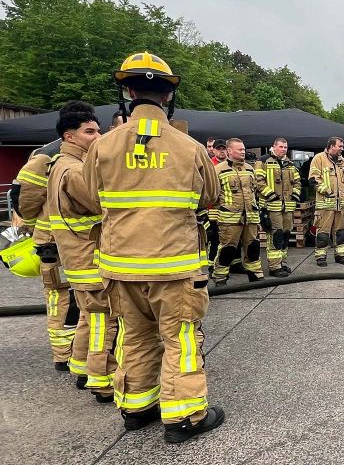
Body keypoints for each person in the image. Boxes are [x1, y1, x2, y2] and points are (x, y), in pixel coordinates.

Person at [81, 50, 223, 442]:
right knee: (180, 339)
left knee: (135, 335)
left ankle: (137, 407)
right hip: (174, 266)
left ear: (127, 92)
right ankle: (185, 417)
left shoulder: (102, 147)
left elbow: (89, 198)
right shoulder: (189, 147)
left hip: (121, 267)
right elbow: (211, 196)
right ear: (168, 95)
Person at [47, 101, 115, 401]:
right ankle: (102, 381)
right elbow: (102, 204)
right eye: (90, 132)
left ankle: (82, 369)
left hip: (78, 258)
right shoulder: (74, 171)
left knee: (89, 318)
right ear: (69, 136)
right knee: (103, 321)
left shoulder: (61, 164)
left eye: (98, 130)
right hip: (89, 257)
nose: (97, 136)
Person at [13, 135, 75, 370]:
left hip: (73, 239)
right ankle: (64, 354)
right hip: (53, 242)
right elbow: (24, 197)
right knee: (60, 296)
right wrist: (36, 225)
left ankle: (77, 351)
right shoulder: (46, 156)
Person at [212, 138, 264, 285]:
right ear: (229, 151)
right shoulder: (218, 169)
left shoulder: (249, 168)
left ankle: (255, 275)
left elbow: (254, 191)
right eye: (240, 149)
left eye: (244, 149)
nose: (243, 152)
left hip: (250, 217)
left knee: (253, 247)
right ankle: (220, 278)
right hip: (229, 218)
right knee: (227, 250)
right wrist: (223, 208)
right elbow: (212, 194)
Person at [255, 136, 301, 277]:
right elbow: (258, 181)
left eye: (285, 147)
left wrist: (295, 195)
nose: (283, 149)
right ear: (274, 147)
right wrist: (271, 195)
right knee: (276, 235)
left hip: (288, 207)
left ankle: (282, 263)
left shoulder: (290, 164)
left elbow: (297, 182)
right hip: (271, 207)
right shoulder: (263, 161)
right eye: (281, 147)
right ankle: (274, 267)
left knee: (286, 235)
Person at [309, 136, 344, 267]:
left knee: (340, 232)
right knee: (323, 233)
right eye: (340, 146)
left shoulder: (342, 161)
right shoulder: (319, 158)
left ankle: (340, 255)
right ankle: (321, 257)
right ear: (332, 146)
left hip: (341, 205)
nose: (342, 149)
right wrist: (327, 191)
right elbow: (313, 179)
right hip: (325, 205)